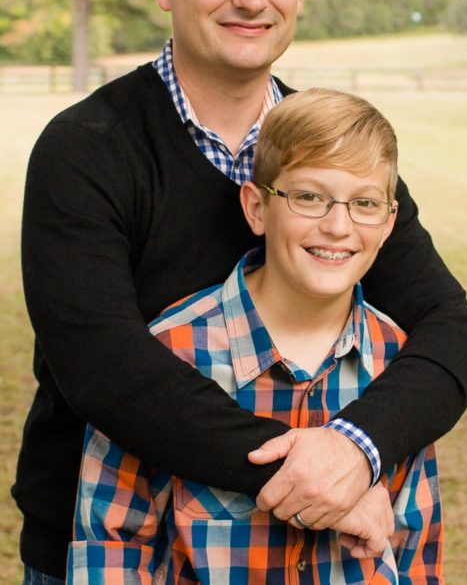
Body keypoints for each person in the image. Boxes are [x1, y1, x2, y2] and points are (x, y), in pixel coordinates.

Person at [15, 0, 467, 583]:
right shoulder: (86, 151)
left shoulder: (328, 155)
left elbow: (451, 335)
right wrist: (311, 470)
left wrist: (355, 448)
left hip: (322, 562)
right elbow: (106, 370)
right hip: (123, 546)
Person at [68, 88, 442, 583]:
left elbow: (414, 551)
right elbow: (110, 548)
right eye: (308, 197)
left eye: (365, 203)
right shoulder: (169, 354)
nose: (337, 225)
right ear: (257, 208)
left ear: (390, 221)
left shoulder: (400, 370)